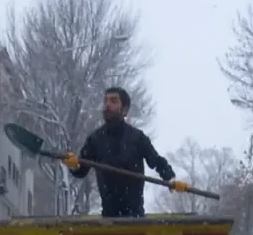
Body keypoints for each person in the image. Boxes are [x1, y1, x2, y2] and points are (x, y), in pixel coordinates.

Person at [65, 87, 186, 218]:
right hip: (108, 218)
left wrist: (170, 179)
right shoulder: (95, 139)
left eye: (113, 101)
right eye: (105, 101)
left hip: (136, 217)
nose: (107, 105)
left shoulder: (137, 138)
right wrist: (73, 164)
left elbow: (155, 161)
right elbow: (81, 170)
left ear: (125, 110)